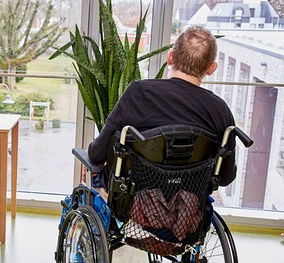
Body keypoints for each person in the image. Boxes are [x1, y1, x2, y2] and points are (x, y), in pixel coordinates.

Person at [88, 26, 237, 193]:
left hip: (135, 202)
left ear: (170, 57)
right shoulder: (220, 110)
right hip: (189, 206)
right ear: (211, 68)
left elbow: (96, 154)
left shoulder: (139, 93)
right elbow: (225, 177)